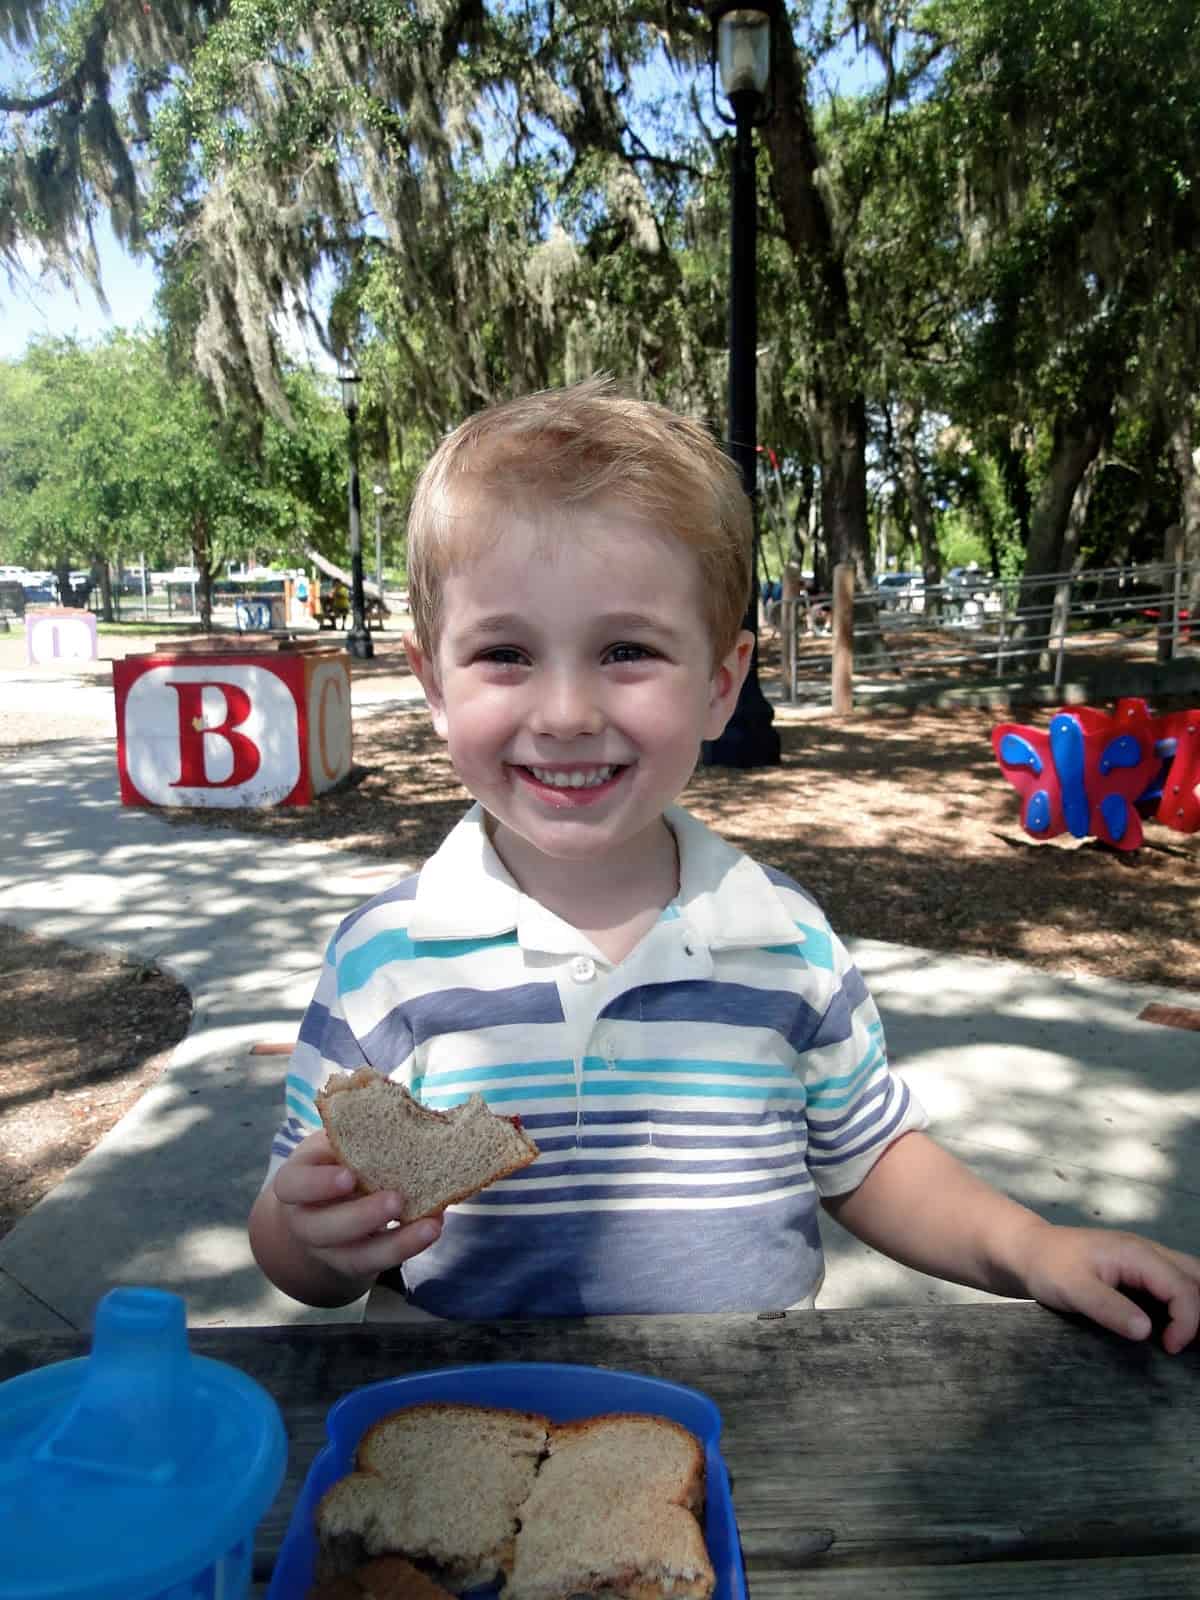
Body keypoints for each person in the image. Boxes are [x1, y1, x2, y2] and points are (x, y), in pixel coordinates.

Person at [248, 378, 1200, 1350]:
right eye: (505, 653)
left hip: (752, 1451)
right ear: (432, 684)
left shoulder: (782, 940)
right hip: (470, 1448)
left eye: (626, 649)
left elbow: (870, 1160)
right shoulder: (386, 958)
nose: (568, 710)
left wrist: (1034, 1248)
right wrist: (318, 1238)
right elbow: (294, 1250)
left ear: (720, 683)